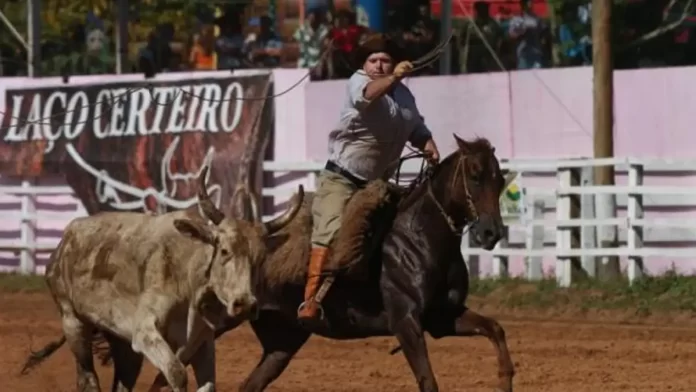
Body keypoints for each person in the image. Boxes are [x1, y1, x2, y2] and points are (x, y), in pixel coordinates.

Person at [297, 33, 441, 323]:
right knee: (330, 229)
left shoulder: (403, 96)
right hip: (342, 179)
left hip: (377, 184)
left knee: (399, 230)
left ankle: (392, 293)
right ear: (365, 64)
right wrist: (394, 78)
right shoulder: (358, 82)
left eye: (385, 60)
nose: (378, 65)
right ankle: (310, 301)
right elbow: (367, 98)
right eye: (373, 60)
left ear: (394, 64)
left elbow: (414, 126)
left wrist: (427, 143)